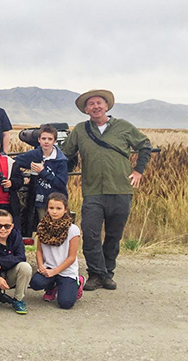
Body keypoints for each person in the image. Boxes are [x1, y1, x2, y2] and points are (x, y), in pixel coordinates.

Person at [62, 89, 151, 291]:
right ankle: (95, 274)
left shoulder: (123, 127)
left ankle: (107, 273)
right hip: (93, 191)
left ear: (107, 105)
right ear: (86, 110)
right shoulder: (80, 130)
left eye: (99, 103)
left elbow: (145, 145)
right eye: (91, 104)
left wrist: (138, 171)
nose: (95, 107)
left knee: (113, 235)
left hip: (120, 189)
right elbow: (65, 154)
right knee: (91, 233)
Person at [30, 193, 85, 309]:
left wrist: (55, 271)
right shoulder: (42, 226)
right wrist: (41, 266)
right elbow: (39, 250)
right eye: (51, 208)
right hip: (49, 267)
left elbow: (71, 257)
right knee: (35, 283)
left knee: (65, 304)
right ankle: (52, 286)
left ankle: (78, 282)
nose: (54, 211)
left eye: (58, 208)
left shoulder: (73, 229)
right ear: (47, 209)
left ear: (65, 210)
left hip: (66, 270)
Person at [13, 124, 68, 220]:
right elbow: (13, 163)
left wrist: (42, 172)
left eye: (50, 139)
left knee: (58, 227)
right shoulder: (34, 155)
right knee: (43, 226)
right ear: (39, 140)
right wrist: (22, 176)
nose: (46, 142)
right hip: (40, 200)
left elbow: (61, 183)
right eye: (44, 138)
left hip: (57, 201)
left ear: (54, 141)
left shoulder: (60, 160)